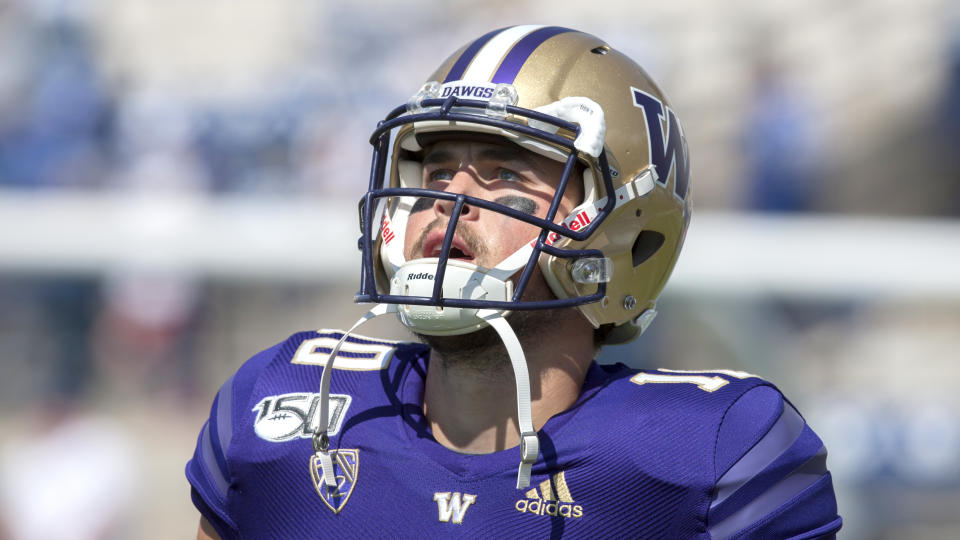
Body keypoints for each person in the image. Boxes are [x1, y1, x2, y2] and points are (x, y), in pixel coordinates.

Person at [187, 25, 842, 539]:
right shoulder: (281, 404)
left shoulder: (713, 450)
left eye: (502, 172)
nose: (452, 196)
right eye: (438, 169)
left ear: (624, 227)